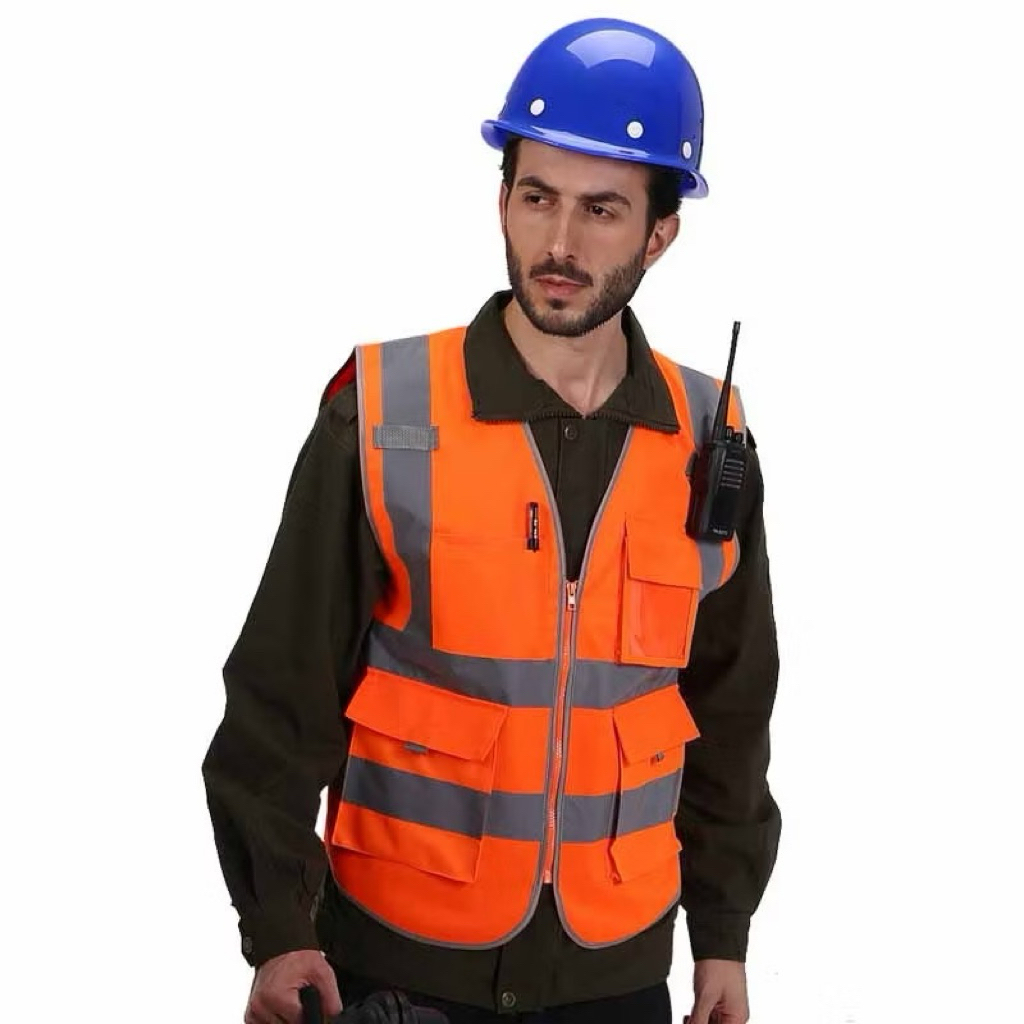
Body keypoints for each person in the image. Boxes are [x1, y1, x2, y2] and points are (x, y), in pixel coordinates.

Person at [202, 16, 781, 1024]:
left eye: (602, 210)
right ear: (502, 198)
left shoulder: (709, 434)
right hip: (394, 965)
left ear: (660, 233)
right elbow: (280, 695)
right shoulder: (382, 410)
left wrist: (722, 933)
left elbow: (731, 706)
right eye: (537, 197)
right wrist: (280, 928)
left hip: (616, 973)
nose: (559, 244)